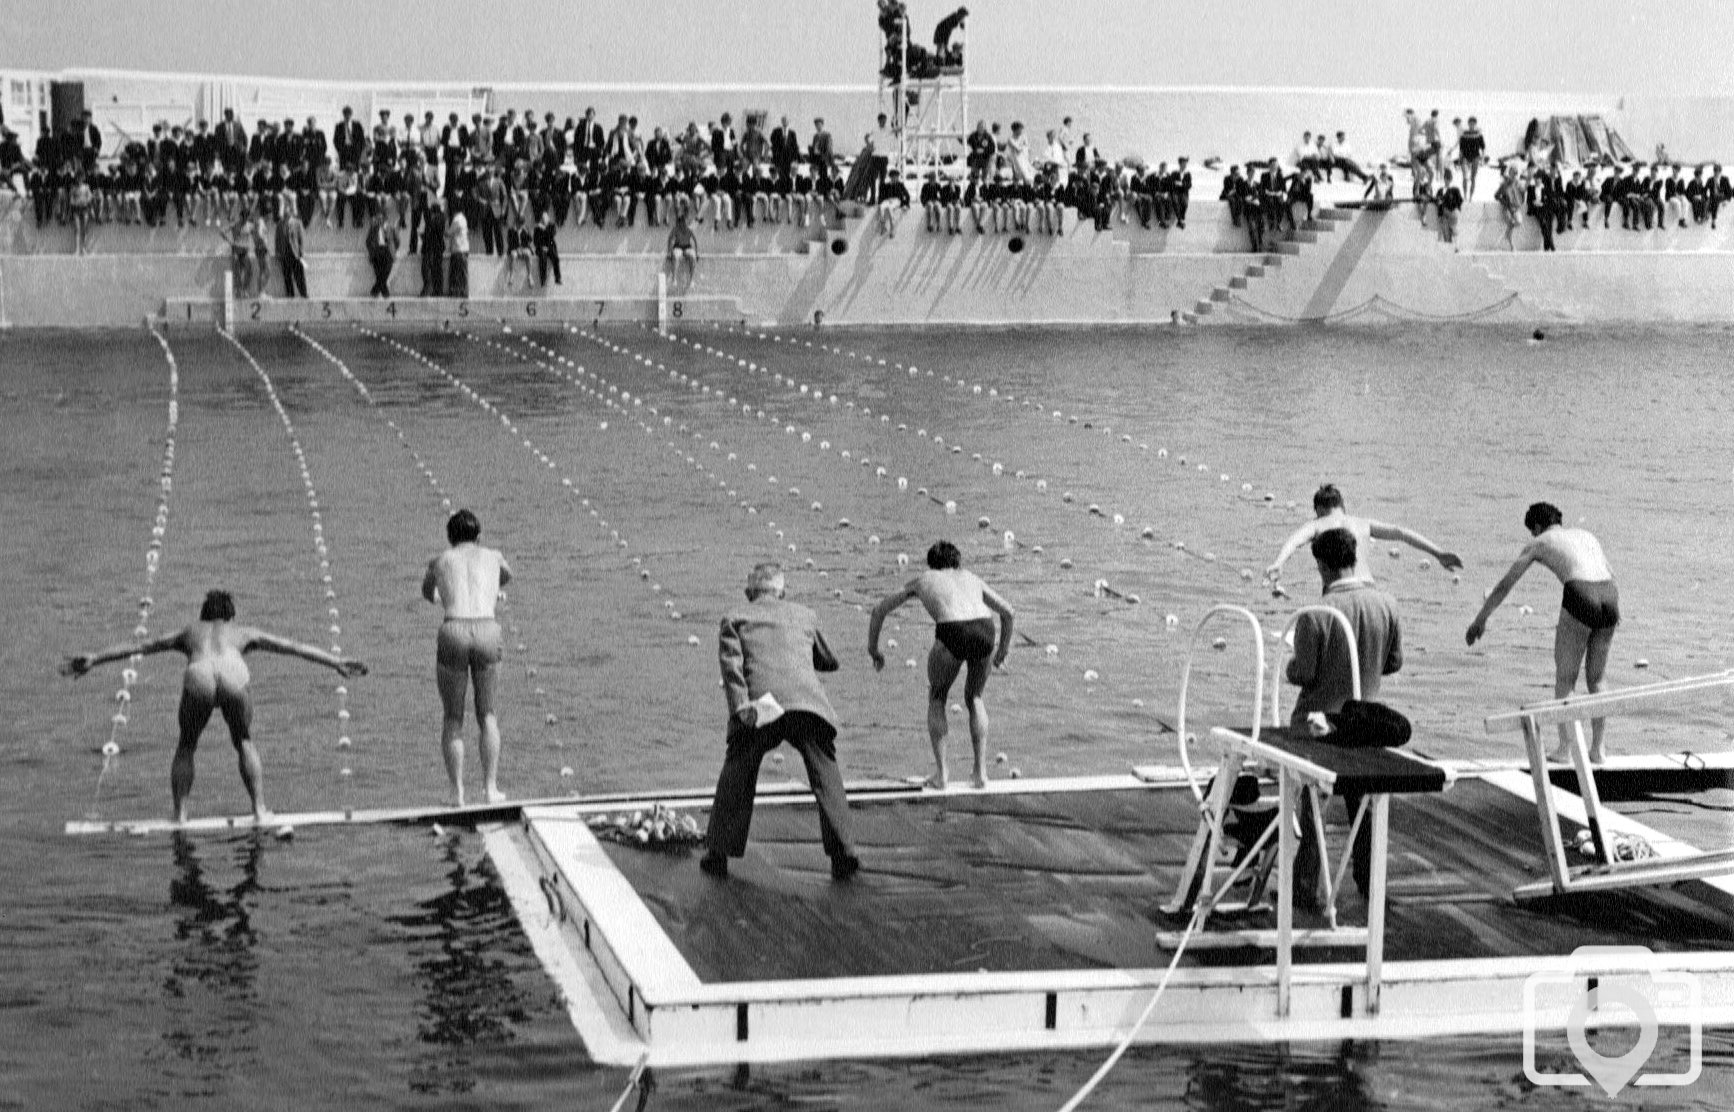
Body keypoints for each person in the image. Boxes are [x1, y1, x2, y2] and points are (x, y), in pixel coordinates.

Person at [61, 589, 367, 823]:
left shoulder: (189, 632)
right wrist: (336, 662)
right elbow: (294, 647)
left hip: (200, 675)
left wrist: (95, 658)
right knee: (244, 741)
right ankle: (260, 811)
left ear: (203, 616)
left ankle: (180, 815)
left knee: (187, 745)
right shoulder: (243, 632)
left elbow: (142, 646)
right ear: (230, 616)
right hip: (233, 673)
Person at [700, 563, 861, 881]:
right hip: (808, 706)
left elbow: (732, 671)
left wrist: (740, 710)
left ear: (749, 593)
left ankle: (718, 854)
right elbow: (830, 661)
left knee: (739, 770)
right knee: (825, 773)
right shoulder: (805, 614)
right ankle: (845, 853)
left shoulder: (735, 618)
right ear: (782, 592)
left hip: (763, 705)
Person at [1285, 529, 1402, 907]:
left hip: (1317, 726)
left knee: (1311, 807)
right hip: (1365, 723)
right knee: (1363, 807)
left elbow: (1303, 672)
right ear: (1354, 557)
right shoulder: (1387, 603)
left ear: (1321, 565)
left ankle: (1306, 887)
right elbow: (1394, 663)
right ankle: (1370, 884)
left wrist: (1289, 665)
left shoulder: (1317, 614)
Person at [1466, 502, 1620, 764]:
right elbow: (1611, 573)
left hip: (1581, 594)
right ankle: (1598, 749)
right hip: (1610, 596)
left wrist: (1480, 619)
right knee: (1597, 679)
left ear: (1537, 527)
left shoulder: (1540, 542)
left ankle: (1565, 749)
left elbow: (1506, 584)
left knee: (1566, 678)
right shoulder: (1587, 536)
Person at [867, 541, 1015, 790]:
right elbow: (1009, 612)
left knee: (937, 697)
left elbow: (878, 610)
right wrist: (1002, 650)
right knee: (975, 698)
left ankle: (942, 774)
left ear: (931, 563)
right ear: (957, 562)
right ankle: (980, 773)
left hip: (952, 630)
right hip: (984, 628)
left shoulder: (924, 579)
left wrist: (874, 650)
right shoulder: (971, 577)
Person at [422, 509, 513, 806]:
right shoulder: (494, 556)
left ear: (450, 538)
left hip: (453, 630)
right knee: (487, 714)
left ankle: (457, 792)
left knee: (452, 717)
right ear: (479, 536)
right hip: (487, 629)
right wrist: (489, 589)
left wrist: (440, 597)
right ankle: (490, 789)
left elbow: (427, 592)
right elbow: (507, 576)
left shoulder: (439, 561)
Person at [1266, 483, 1462, 590]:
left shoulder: (1317, 524)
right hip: (1369, 588)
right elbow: (1401, 533)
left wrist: (1279, 562)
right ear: (1342, 506)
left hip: (1339, 590)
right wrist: (1439, 554)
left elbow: (1294, 541)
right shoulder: (1362, 523)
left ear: (1318, 509)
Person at [365, 209, 399, 298]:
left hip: (388, 251)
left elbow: (397, 241)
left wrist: (393, 250)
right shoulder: (373, 228)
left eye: (380, 218)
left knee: (386, 271)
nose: (378, 220)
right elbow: (368, 241)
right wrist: (371, 250)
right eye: (377, 218)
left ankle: (375, 290)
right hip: (377, 251)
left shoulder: (391, 227)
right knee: (378, 272)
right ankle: (385, 292)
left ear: (384, 218)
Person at [275, 207, 308, 298]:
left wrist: (302, 251)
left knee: (299, 275)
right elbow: (277, 239)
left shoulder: (297, 223)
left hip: (295, 252)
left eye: (288, 213)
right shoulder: (280, 224)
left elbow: (301, 238)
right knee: (287, 275)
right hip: (285, 253)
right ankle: (290, 295)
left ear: (291, 214)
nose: (286, 215)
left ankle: (304, 294)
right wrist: (277, 252)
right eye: (285, 214)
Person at [665, 211, 698, 290]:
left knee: (693, 257)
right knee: (676, 256)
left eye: (686, 222)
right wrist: (669, 252)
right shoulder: (676, 229)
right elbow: (670, 239)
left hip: (687, 247)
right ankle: (674, 279)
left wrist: (697, 252)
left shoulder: (690, 229)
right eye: (683, 222)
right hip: (678, 246)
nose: (684, 224)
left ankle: (691, 280)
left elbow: (695, 240)